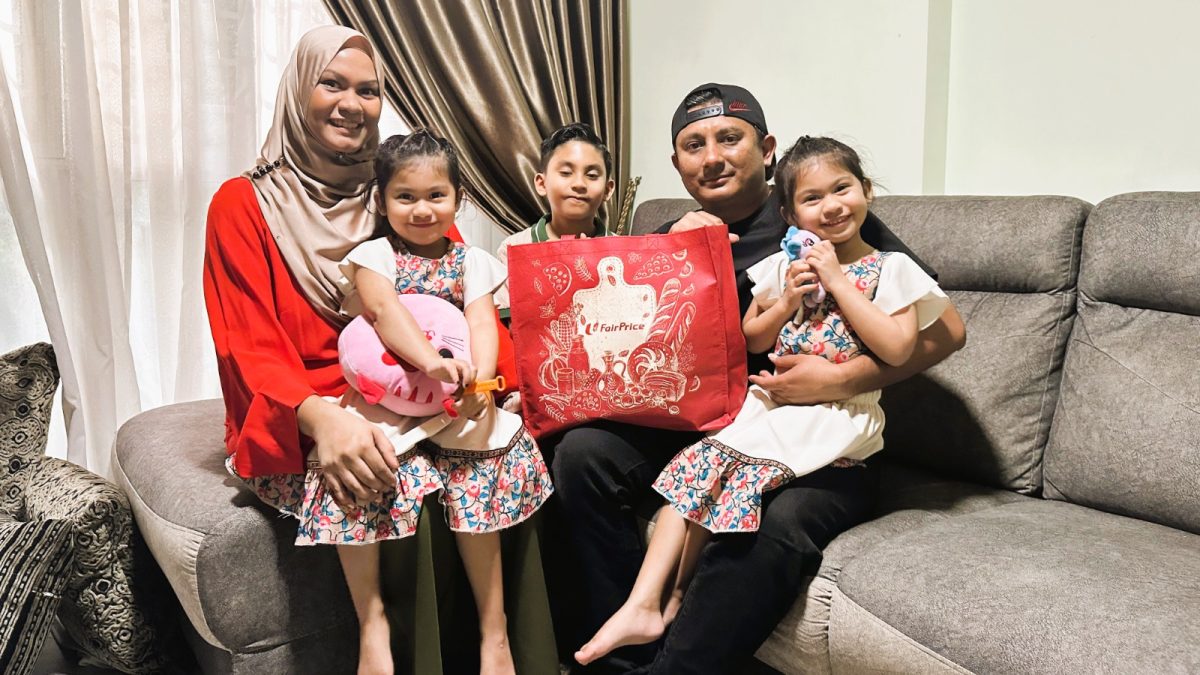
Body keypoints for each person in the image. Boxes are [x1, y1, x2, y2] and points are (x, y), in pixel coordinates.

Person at [543, 83, 966, 675]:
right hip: (701, 416)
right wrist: (669, 249)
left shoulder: (813, 215)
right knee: (581, 455)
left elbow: (944, 332)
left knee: (777, 521)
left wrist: (840, 381)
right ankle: (626, 651)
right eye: (694, 144)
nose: (712, 155)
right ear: (677, 164)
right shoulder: (672, 230)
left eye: (729, 138)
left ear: (765, 148)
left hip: (802, 423)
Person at [202, 26, 545, 675]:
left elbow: (459, 307)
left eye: (368, 89)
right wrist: (322, 417)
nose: (352, 102)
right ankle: (379, 631)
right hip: (304, 407)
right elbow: (245, 344)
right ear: (297, 92)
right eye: (332, 83)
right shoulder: (242, 203)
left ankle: (502, 642)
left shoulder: (387, 200)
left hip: (415, 391)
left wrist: (497, 382)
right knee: (396, 473)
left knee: (496, 453)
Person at [493, 122, 616, 310]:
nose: (579, 184)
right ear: (542, 183)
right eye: (566, 173)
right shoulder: (512, 250)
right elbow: (506, 325)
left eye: (591, 175)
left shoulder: (620, 252)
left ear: (608, 190)